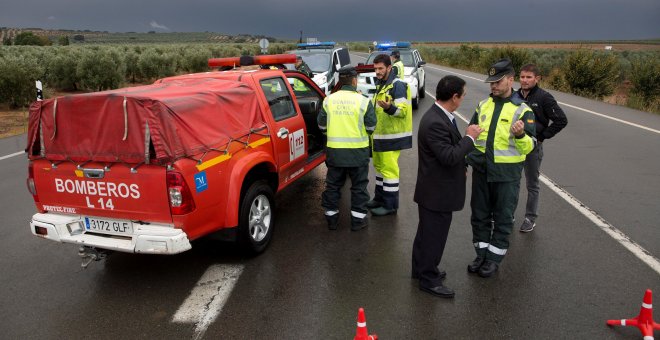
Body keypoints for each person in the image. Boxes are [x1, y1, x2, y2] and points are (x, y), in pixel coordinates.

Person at [412, 75, 483, 298]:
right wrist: (469, 138)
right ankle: (428, 279)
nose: (463, 99)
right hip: (437, 192)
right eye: (462, 96)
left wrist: (461, 163)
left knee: (426, 234)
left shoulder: (442, 116)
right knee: (434, 236)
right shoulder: (435, 122)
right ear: (454, 97)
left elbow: (448, 153)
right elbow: (448, 156)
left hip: (434, 189)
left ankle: (420, 269)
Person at [466, 58, 536, 278]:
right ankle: (481, 254)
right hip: (482, 172)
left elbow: (529, 147)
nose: (493, 86)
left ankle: (494, 259)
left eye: (498, 81)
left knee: (503, 218)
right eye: (491, 82)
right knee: (479, 215)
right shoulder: (482, 106)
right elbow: (472, 136)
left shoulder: (522, 110)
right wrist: (466, 159)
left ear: (510, 80)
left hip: (506, 176)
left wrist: (520, 135)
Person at [318, 66, 377, 231]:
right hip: (358, 153)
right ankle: (358, 221)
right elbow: (371, 126)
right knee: (359, 187)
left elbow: (321, 125)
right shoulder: (363, 100)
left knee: (333, 186)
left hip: (335, 153)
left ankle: (332, 220)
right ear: (354, 80)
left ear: (339, 81)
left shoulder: (329, 100)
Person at [516, 64, 568, 233]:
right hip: (515, 146)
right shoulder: (514, 96)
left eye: (528, 77)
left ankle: (530, 218)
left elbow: (561, 120)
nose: (524, 80)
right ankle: (508, 214)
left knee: (532, 184)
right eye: (522, 77)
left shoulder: (544, 97)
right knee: (512, 182)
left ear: (537, 78)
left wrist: (541, 137)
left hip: (533, 148)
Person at [367, 54, 412, 216]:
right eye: (375, 69)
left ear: (389, 68)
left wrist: (388, 108)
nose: (377, 72)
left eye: (380, 68)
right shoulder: (381, 84)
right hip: (379, 136)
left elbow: (402, 111)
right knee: (379, 169)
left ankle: (390, 205)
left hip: (391, 137)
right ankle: (379, 199)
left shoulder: (397, 85)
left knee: (389, 171)